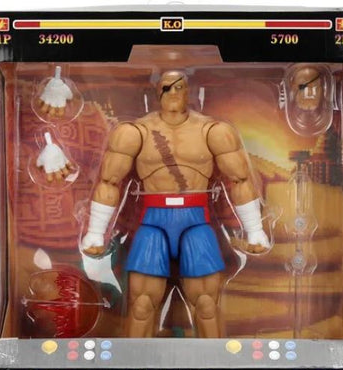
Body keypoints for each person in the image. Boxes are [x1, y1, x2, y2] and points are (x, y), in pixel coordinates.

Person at [81, 70, 270, 338]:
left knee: (206, 304)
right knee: (141, 305)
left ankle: (215, 362)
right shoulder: (135, 132)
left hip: (196, 221)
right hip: (153, 222)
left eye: (178, 87)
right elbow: (109, 181)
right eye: (166, 87)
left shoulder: (213, 131)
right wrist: (95, 233)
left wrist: (255, 230)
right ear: (156, 92)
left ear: (188, 91)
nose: (172, 93)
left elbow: (240, 179)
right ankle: (133, 362)